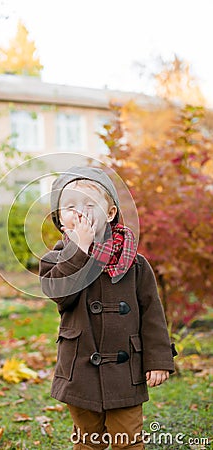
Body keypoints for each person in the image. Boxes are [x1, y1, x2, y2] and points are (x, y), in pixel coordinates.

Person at [39, 166, 176, 449]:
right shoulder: (55, 260)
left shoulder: (135, 264)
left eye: (90, 204)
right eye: (70, 206)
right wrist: (79, 250)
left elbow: (152, 314)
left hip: (125, 372)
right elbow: (60, 295)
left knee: (128, 439)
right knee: (88, 441)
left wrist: (159, 359)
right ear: (59, 218)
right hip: (80, 367)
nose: (80, 212)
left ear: (110, 213)